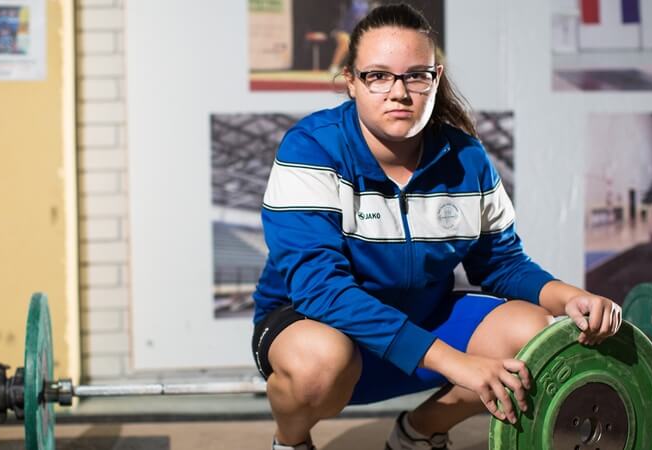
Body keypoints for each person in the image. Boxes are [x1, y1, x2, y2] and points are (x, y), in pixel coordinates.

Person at [251, 5, 622, 450]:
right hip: (321, 326)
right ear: (350, 80)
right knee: (318, 363)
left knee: (533, 335)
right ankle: (291, 441)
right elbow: (320, 289)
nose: (399, 92)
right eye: (378, 76)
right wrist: (453, 362)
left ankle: (419, 431)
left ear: (436, 77)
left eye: (416, 76)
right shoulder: (312, 148)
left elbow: (502, 264)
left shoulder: (466, 159)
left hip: (422, 319)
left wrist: (570, 298)